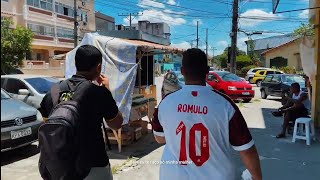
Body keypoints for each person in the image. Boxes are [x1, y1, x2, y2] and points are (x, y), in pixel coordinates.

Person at [152, 48, 262, 180]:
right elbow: (246, 149)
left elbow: (160, 139)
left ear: (182, 71)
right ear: (207, 70)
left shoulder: (166, 102)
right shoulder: (225, 104)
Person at [39, 45, 123, 180]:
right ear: (99, 67)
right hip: (94, 167)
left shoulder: (52, 93)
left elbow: (48, 126)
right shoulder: (99, 93)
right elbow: (116, 124)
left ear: (76, 64)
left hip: (60, 169)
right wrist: (107, 91)